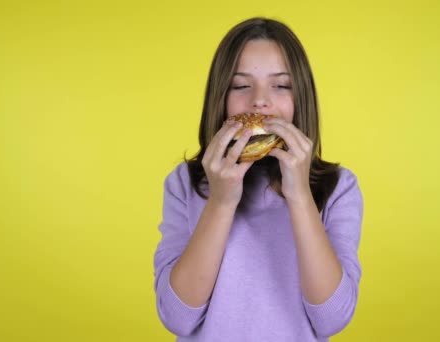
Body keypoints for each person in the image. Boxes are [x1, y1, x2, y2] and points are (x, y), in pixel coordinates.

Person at [153, 17, 364, 341]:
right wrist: (222, 200)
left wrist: (300, 196)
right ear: (220, 98)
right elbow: (177, 317)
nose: (260, 101)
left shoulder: (338, 187)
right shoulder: (186, 183)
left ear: (301, 98)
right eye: (241, 85)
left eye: (281, 85)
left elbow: (332, 319)